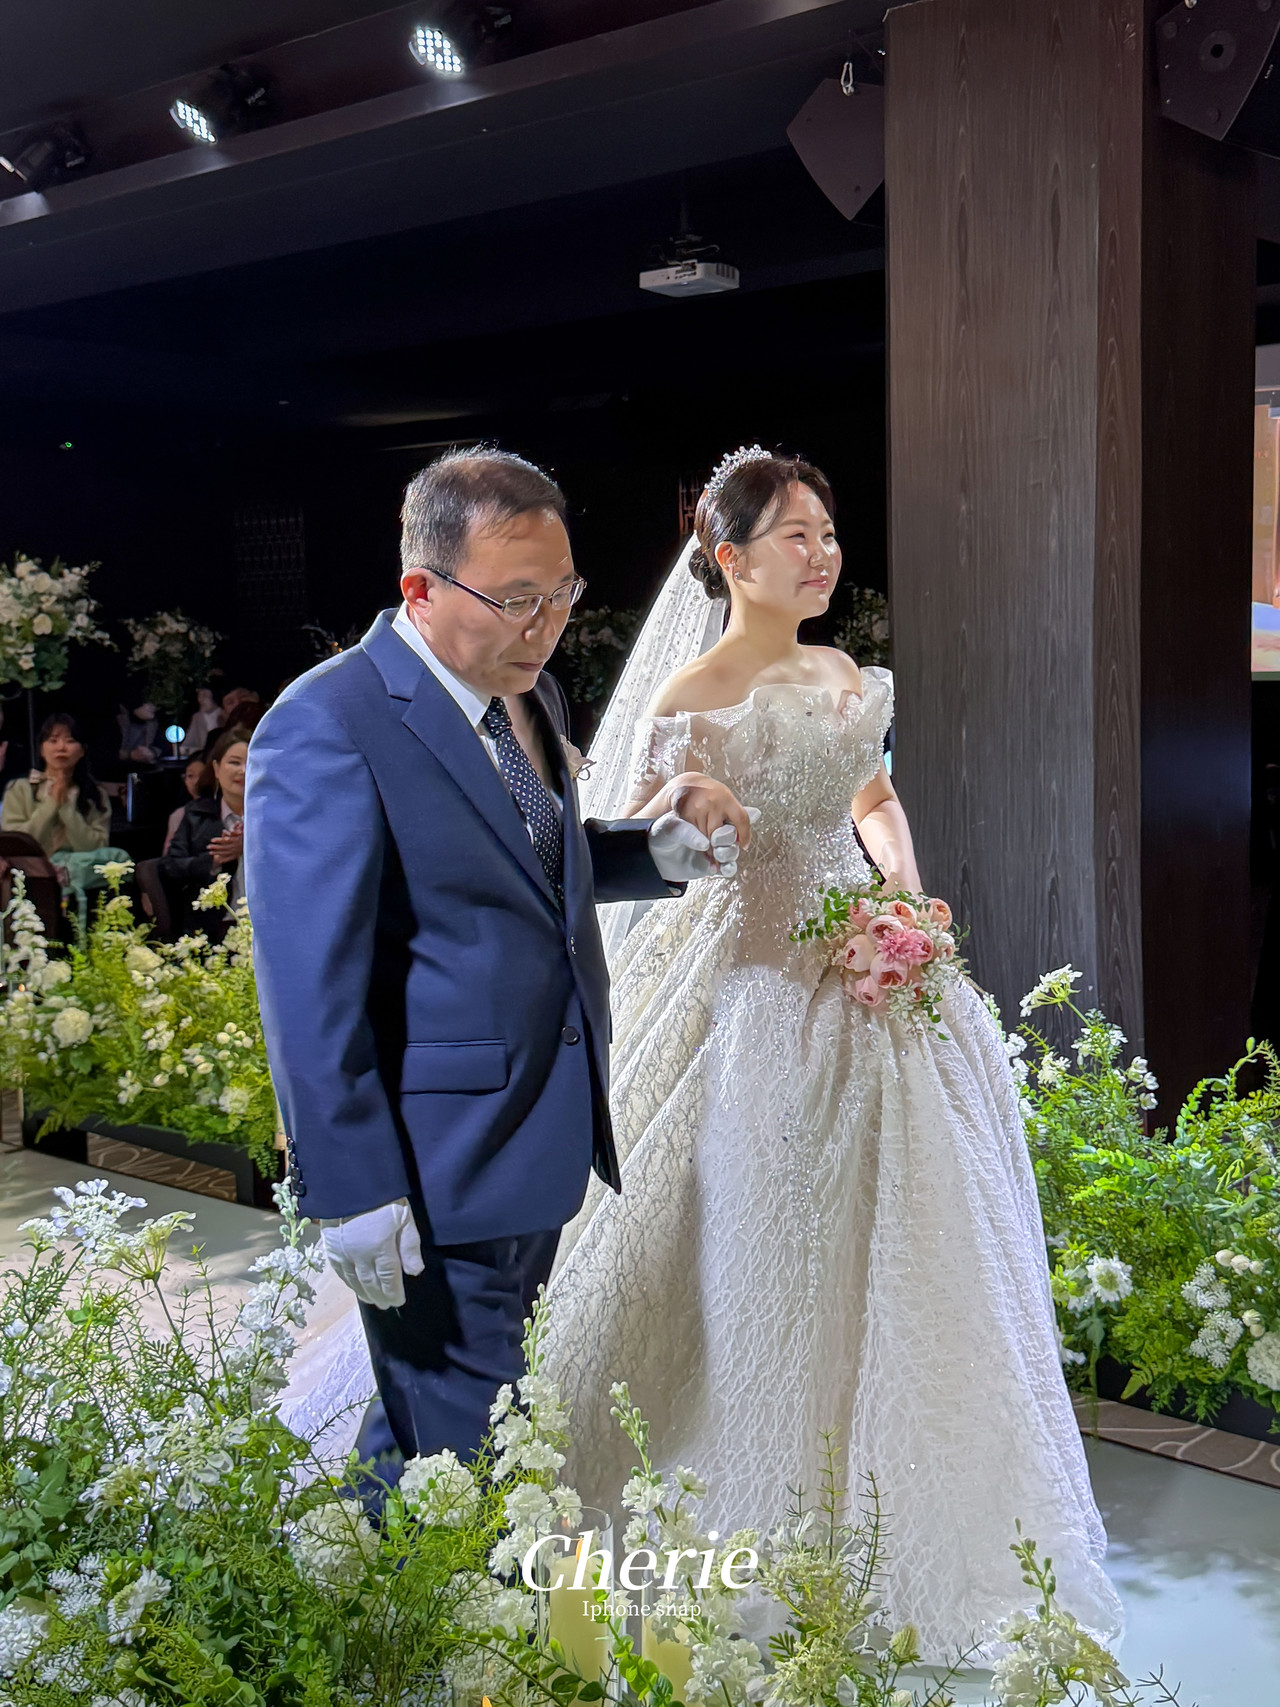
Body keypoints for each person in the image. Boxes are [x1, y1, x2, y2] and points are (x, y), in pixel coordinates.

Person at [532, 448, 1123, 1659]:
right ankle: (766, 1507)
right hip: (764, 996)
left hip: (881, 979)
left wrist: (899, 895)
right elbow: (637, 842)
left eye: (828, 533)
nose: (822, 555)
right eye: (794, 535)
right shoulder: (690, 695)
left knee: (930, 1226)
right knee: (780, 1241)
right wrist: (688, 808)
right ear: (729, 556)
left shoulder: (844, 674)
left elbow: (871, 800)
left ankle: (924, 1498)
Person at [249, 447, 751, 1491]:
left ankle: (360, 1586)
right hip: (437, 1163)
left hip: (540, 1130)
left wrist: (647, 854)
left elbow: (523, 864)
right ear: (420, 589)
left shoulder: (530, 694)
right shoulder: (328, 722)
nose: (546, 625)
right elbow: (309, 986)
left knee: (430, 1434)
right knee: (469, 1452)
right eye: (517, 599)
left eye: (562, 593)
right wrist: (353, 1187)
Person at [159, 732, 246, 929]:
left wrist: (249, 846)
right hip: (214, 925)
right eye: (235, 762)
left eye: (252, 764)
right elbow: (170, 867)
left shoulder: (275, 818)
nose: (243, 771)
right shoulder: (197, 815)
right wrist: (214, 860)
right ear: (216, 769)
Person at [2, 712, 112, 856]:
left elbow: (98, 848)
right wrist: (51, 803)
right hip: (32, 867)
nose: (61, 747)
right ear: (41, 749)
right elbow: (15, 845)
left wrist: (67, 808)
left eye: (70, 741)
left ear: (82, 750)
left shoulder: (96, 794)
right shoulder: (19, 789)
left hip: (81, 868)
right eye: (53, 741)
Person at [162, 756, 213, 855]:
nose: (196, 781)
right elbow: (168, 857)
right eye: (190, 776)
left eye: (202, 775)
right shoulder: (178, 815)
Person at [180, 687, 223, 757]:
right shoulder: (197, 717)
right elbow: (190, 739)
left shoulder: (223, 714)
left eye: (205, 695)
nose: (201, 699)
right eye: (199, 696)